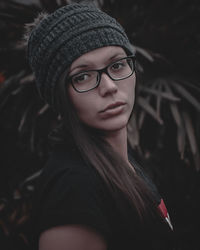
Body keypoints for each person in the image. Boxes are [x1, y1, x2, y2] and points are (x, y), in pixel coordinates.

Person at [26, 2, 175, 250]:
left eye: (117, 65)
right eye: (82, 76)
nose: (109, 87)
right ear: (60, 96)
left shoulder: (121, 161)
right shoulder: (74, 192)